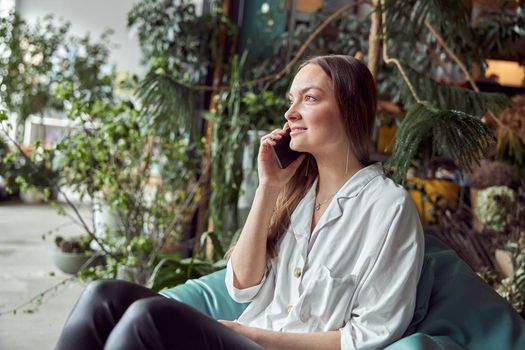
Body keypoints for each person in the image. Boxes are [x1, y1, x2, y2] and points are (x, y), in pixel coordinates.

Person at [55, 55, 424, 350]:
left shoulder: (388, 209)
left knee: (149, 319)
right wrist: (268, 187)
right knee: (105, 295)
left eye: (309, 98)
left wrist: (257, 337)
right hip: (248, 335)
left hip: (268, 344)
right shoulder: (296, 191)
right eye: (291, 100)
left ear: (350, 110)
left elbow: (369, 336)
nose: (290, 113)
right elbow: (241, 287)